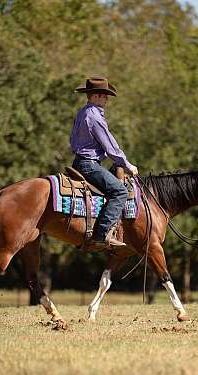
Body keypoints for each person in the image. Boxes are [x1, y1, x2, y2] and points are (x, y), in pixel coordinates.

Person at [70, 77, 139, 251]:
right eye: (104, 95)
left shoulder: (82, 112)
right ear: (95, 96)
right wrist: (128, 164)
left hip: (79, 162)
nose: (106, 100)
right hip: (89, 165)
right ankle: (101, 235)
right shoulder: (94, 116)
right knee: (120, 191)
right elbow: (110, 147)